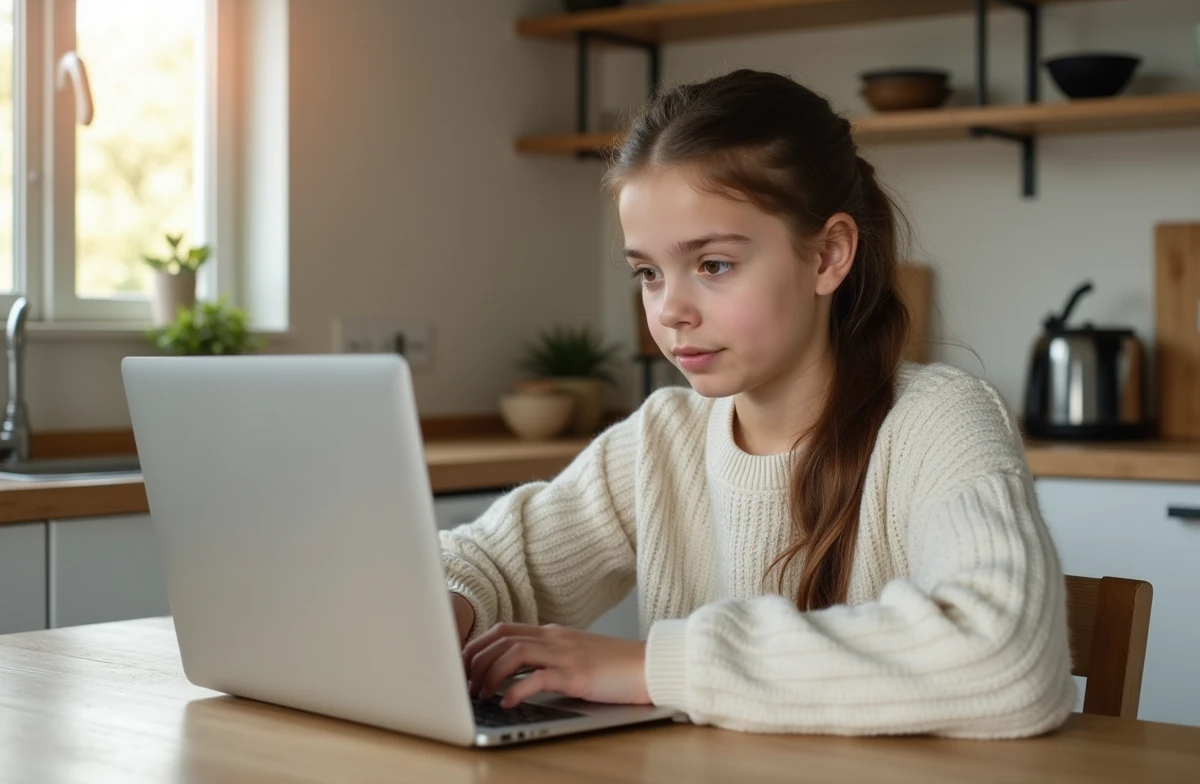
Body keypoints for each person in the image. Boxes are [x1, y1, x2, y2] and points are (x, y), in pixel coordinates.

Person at [440, 69, 1075, 738]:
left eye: (713, 264)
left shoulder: (939, 422)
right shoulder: (663, 438)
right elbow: (485, 563)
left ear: (828, 255)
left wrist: (658, 668)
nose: (670, 311)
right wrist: (449, 603)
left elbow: (1008, 657)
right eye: (648, 273)